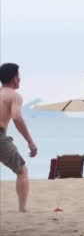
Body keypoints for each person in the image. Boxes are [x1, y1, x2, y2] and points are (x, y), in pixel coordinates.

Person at [0, 63, 38, 212]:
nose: (20, 79)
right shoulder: (14, 96)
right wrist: (30, 142)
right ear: (13, 77)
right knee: (22, 170)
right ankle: (22, 209)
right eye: (18, 76)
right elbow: (17, 118)